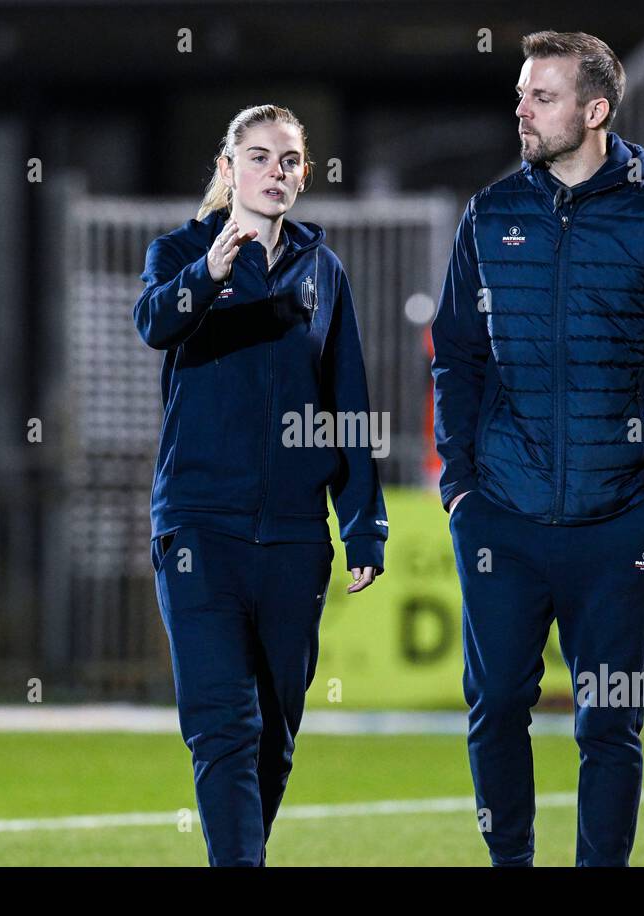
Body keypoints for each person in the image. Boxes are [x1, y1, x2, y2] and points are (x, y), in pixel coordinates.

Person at [431, 31, 644, 866]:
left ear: (594, 110)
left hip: (617, 525)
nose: (522, 111)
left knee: (609, 725)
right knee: (494, 707)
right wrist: (461, 484)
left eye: (543, 97)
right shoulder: (490, 214)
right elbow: (455, 354)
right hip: (502, 517)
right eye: (522, 94)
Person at [133, 104, 387, 867]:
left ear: (304, 175)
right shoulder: (180, 250)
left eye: (289, 160)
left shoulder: (325, 273)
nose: (275, 171)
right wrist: (211, 271)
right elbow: (153, 322)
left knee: (273, 743)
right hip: (198, 531)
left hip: (293, 540)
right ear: (227, 169)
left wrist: (363, 523)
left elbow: (349, 403)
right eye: (259, 157)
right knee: (223, 725)